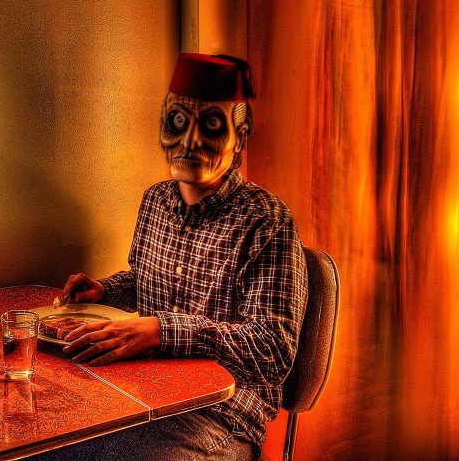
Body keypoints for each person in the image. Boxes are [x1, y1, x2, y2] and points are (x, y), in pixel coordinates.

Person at [39, 53, 309, 461]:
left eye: (212, 126)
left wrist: (162, 331)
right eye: (177, 123)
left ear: (240, 138)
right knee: (48, 438)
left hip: (220, 415)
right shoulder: (155, 201)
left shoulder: (266, 220)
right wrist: (105, 291)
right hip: (144, 394)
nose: (190, 141)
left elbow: (273, 350)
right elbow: (143, 281)